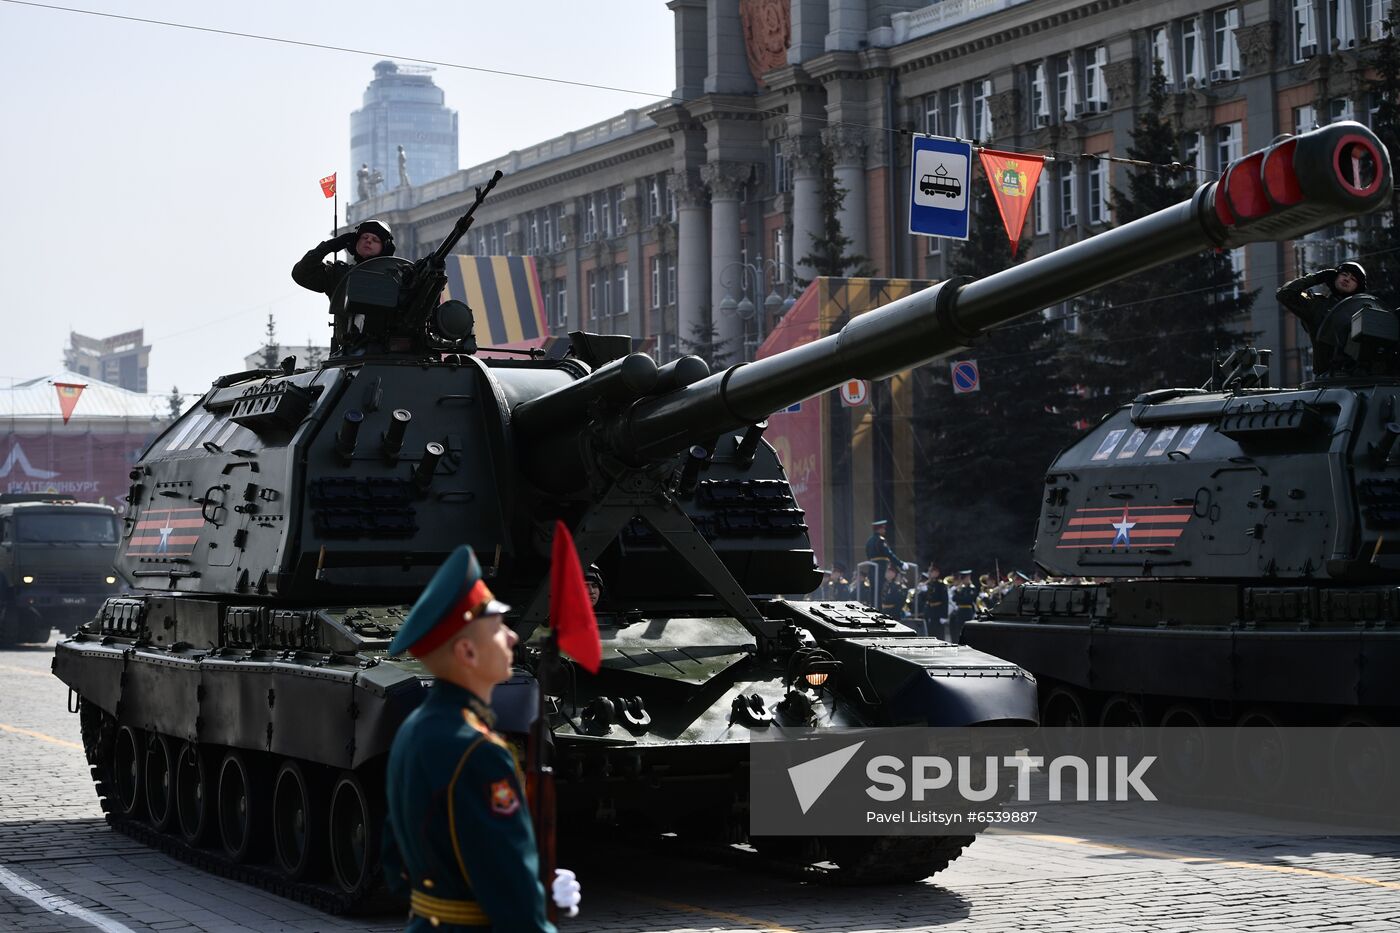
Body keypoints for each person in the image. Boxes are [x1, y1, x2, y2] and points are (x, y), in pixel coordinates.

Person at [382, 545, 581, 932]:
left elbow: (396, 861)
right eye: (498, 628)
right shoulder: (478, 752)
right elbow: (513, 906)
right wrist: (534, 899)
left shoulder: (414, 729)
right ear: (467, 651)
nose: (511, 639)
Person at [1276, 262, 1368, 374]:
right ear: (1335, 276)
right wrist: (1316, 278)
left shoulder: (1363, 310)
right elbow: (1284, 294)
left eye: (1353, 279)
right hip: (1328, 376)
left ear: (1358, 287)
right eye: (1344, 274)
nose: (1347, 279)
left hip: (1360, 375)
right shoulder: (1317, 306)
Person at [291, 219, 397, 302]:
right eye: (364, 237)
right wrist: (330, 246)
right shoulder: (340, 275)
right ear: (355, 243)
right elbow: (301, 274)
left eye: (375, 240)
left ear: (384, 248)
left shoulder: (396, 277)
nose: (368, 240)